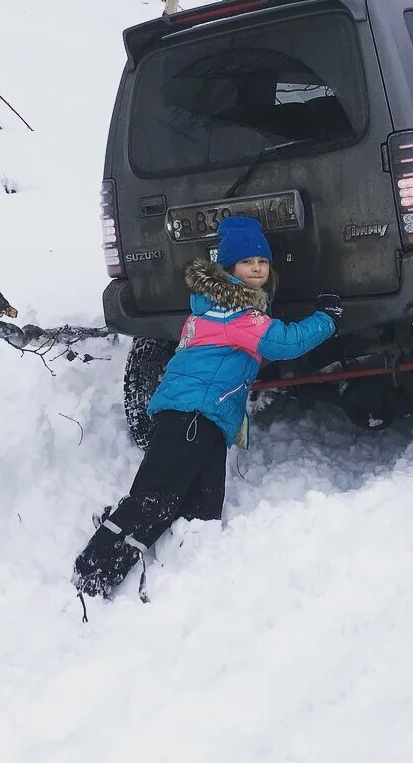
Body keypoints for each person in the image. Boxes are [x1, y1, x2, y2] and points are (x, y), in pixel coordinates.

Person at [72, 214, 343, 602]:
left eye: (262, 262)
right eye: (247, 262)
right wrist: (326, 319)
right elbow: (284, 343)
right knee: (155, 498)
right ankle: (94, 572)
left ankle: (186, 582)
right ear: (229, 268)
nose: (256, 268)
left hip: (206, 420)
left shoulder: (213, 309)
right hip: (191, 416)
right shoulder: (237, 313)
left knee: (203, 509)